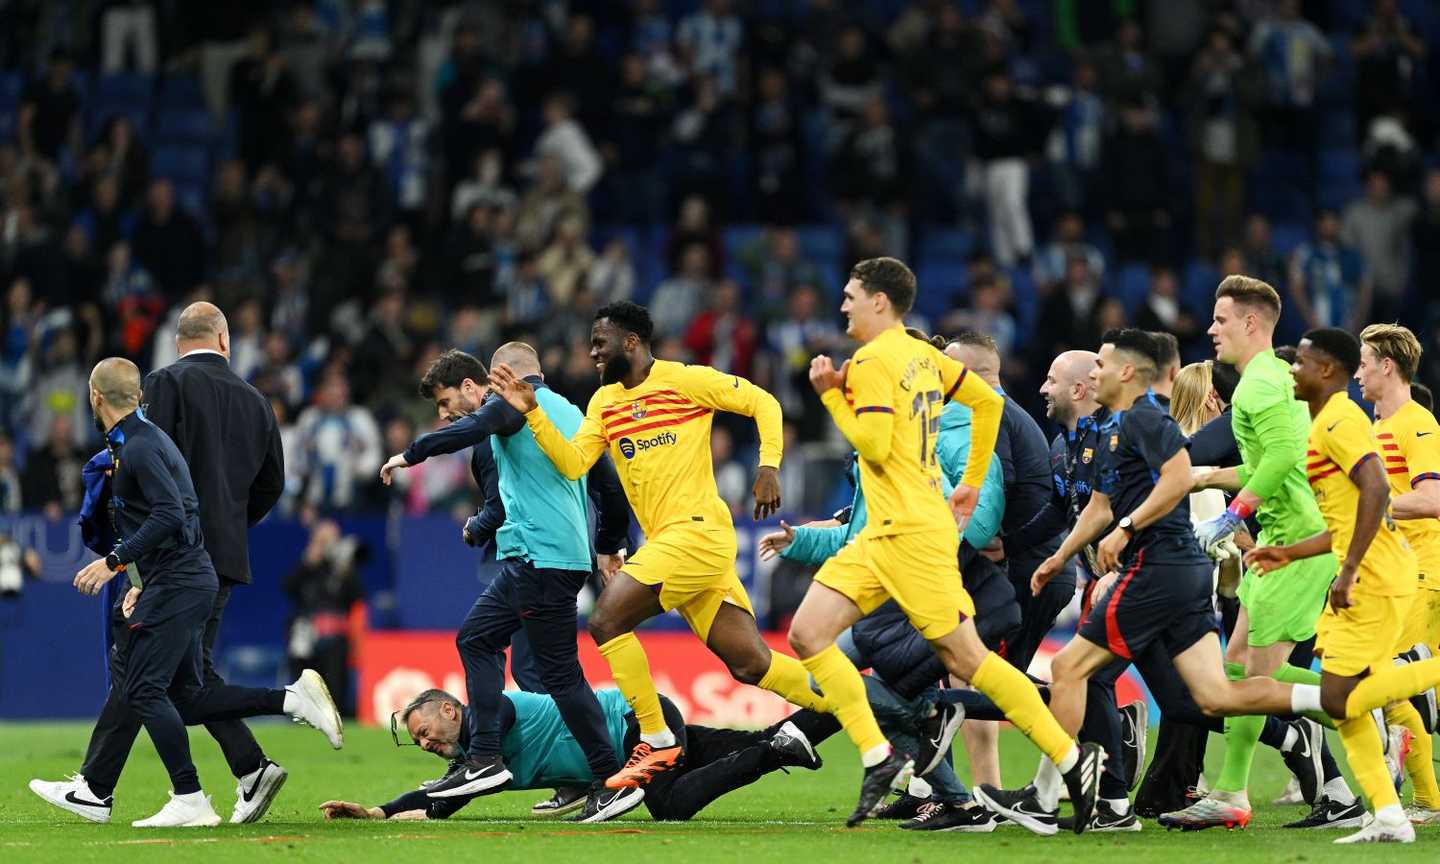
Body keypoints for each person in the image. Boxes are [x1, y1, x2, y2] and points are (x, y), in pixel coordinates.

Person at [780, 257, 1103, 832]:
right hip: (885, 531)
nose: (844, 305)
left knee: (966, 660)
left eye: (852, 295)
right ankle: (880, 756)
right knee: (807, 634)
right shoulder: (921, 353)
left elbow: (874, 446)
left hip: (910, 536)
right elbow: (987, 403)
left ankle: (1071, 760)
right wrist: (973, 479)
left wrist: (831, 394)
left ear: (880, 301)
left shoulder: (876, 361)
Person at [487, 301, 827, 793]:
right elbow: (573, 464)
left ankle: (657, 735)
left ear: (630, 341)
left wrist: (768, 465)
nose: (592, 351)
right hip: (676, 544)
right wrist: (534, 413)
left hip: (696, 533)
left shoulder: (683, 380)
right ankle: (872, 706)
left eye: (600, 342)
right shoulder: (604, 403)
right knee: (751, 664)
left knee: (605, 621)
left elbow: (764, 403)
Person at [996, 329, 1307, 834]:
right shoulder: (1107, 429)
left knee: (1073, 672)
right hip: (1168, 572)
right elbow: (1096, 507)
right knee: (1207, 697)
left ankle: (1058, 793)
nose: (1094, 372)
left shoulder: (1146, 418)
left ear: (1125, 371)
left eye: (1101, 363)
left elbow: (1182, 477)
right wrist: (1061, 557)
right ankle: (1332, 707)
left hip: (1159, 569)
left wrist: (1128, 527)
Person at [28, 358, 341, 829]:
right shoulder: (142, 441)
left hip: (179, 582)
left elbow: (170, 514)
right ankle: (289, 702)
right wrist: (139, 582)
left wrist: (115, 562)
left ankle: (188, 795)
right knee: (186, 696)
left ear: (94, 397)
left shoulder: (138, 447)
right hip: (179, 579)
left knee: (143, 686)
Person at [378, 346, 636, 823]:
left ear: (503, 376)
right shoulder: (570, 411)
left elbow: (469, 429)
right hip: (544, 559)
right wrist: (610, 542)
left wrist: (409, 455)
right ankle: (487, 760)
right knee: (479, 639)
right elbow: (607, 483)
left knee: (557, 676)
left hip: (541, 558)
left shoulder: (515, 404)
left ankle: (605, 777)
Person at [81, 301, 288, 825]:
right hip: (222, 556)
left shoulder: (165, 385)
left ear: (178, 343)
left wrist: (135, 566)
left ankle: (99, 787)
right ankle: (250, 766)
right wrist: (232, 527)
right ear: (224, 340)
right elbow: (272, 484)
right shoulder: (257, 400)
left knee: (148, 670)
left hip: (172, 552)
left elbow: (144, 476)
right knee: (184, 677)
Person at [1248, 328, 1440, 844]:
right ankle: (1390, 813)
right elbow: (1348, 512)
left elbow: (1397, 491)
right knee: (1348, 699)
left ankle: (1424, 699)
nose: (1293, 369)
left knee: (1347, 698)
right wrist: (1291, 551)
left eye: (1302, 362)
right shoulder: (1345, 424)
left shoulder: (1371, 422)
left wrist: (1354, 556)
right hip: (1367, 569)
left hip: (1394, 573)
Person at [1171, 276, 1339, 829]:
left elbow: (1286, 455)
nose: (1211, 330)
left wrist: (1233, 512)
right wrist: (1206, 480)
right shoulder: (1270, 380)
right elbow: (1272, 463)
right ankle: (1233, 792)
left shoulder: (1258, 385)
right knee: (1236, 671)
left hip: (1291, 546)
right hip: (1279, 544)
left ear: (1250, 324)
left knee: (1250, 686)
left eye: (1220, 320)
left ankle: (1389, 699)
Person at [318, 688, 832, 823]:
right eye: (422, 744)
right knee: (761, 735)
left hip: (637, 722)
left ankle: (774, 753)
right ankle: (861, 703)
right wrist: (376, 811)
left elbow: (466, 783)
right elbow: (439, 800)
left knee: (668, 805)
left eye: (427, 731)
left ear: (451, 710)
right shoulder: (471, 766)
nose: (428, 745)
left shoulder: (494, 712)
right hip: (643, 729)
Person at [1354, 323, 1440, 824]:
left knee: (1385, 684)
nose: (1359, 372)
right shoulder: (1374, 429)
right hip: (1390, 576)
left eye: (1365, 362)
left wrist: (1374, 506)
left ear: (1388, 366)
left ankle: (1425, 798)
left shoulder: (1419, 424)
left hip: (1423, 575)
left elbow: (1432, 499)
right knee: (1390, 686)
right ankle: (1426, 797)